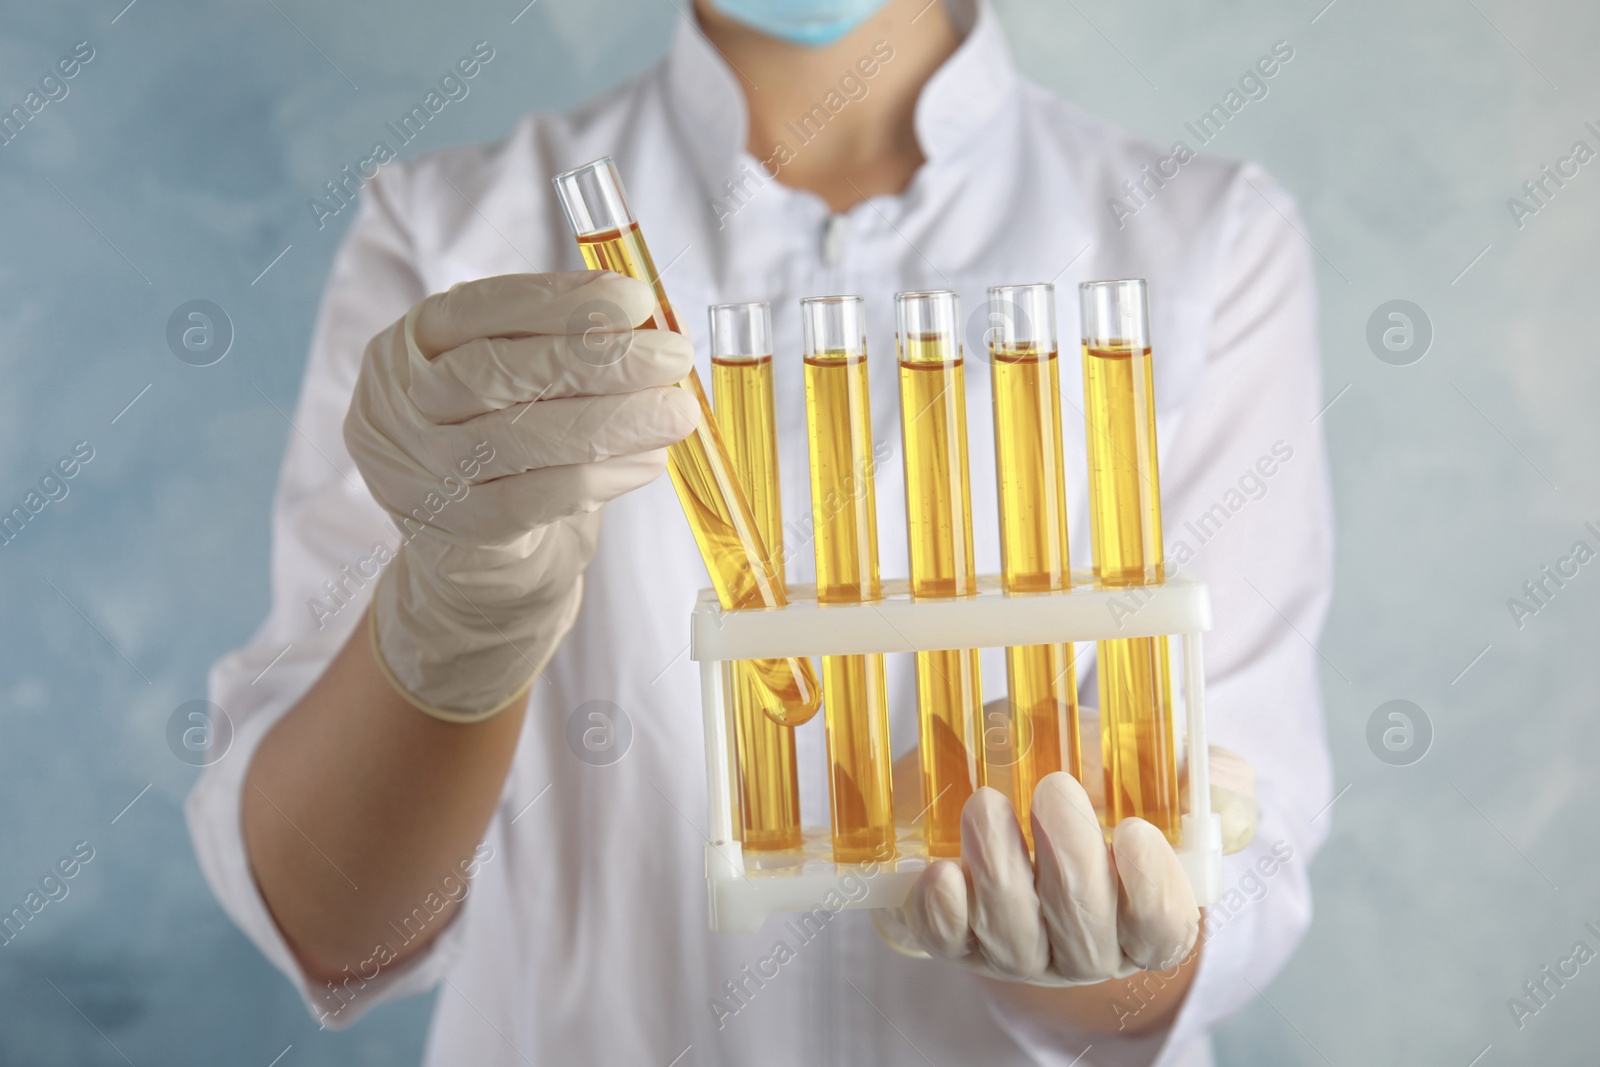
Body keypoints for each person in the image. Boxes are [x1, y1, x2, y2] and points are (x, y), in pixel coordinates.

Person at [187, 0, 1334, 1063]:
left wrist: (1091, 939)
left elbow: (1234, 881)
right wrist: (447, 623)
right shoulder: (454, 238)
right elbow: (329, 919)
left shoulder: (1199, 236)